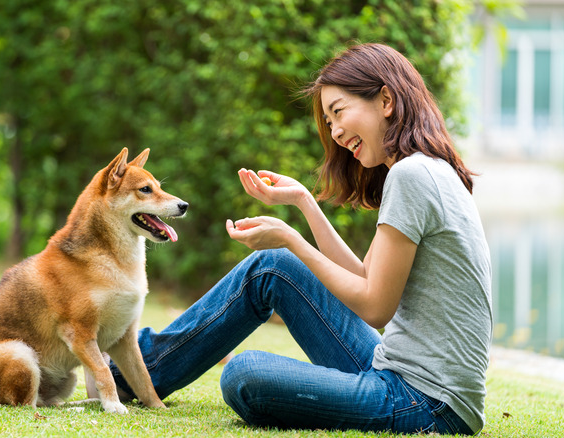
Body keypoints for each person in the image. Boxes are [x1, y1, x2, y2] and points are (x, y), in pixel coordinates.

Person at [109, 43, 492, 435]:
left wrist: (291, 238)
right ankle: (134, 370)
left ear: (387, 100)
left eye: (338, 112)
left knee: (245, 373)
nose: (336, 132)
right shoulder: (427, 170)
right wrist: (304, 204)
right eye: (328, 122)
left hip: (425, 402)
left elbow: (375, 308)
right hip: (401, 375)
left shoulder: (411, 176)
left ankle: (131, 370)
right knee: (271, 268)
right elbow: (364, 277)